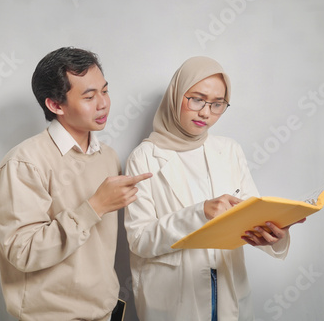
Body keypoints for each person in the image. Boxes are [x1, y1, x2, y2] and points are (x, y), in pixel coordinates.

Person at [124, 56, 304, 321]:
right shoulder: (143, 158)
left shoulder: (229, 150)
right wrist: (200, 213)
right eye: (196, 99)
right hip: (175, 297)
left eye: (217, 104)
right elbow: (140, 240)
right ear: (176, 95)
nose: (206, 112)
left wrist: (274, 234)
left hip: (228, 289)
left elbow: (250, 214)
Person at [0, 47, 151, 321]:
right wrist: (94, 206)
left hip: (105, 311)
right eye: (89, 96)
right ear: (55, 105)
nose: (103, 103)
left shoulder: (109, 157)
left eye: (105, 90)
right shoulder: (24, 162)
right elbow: (23, 251)